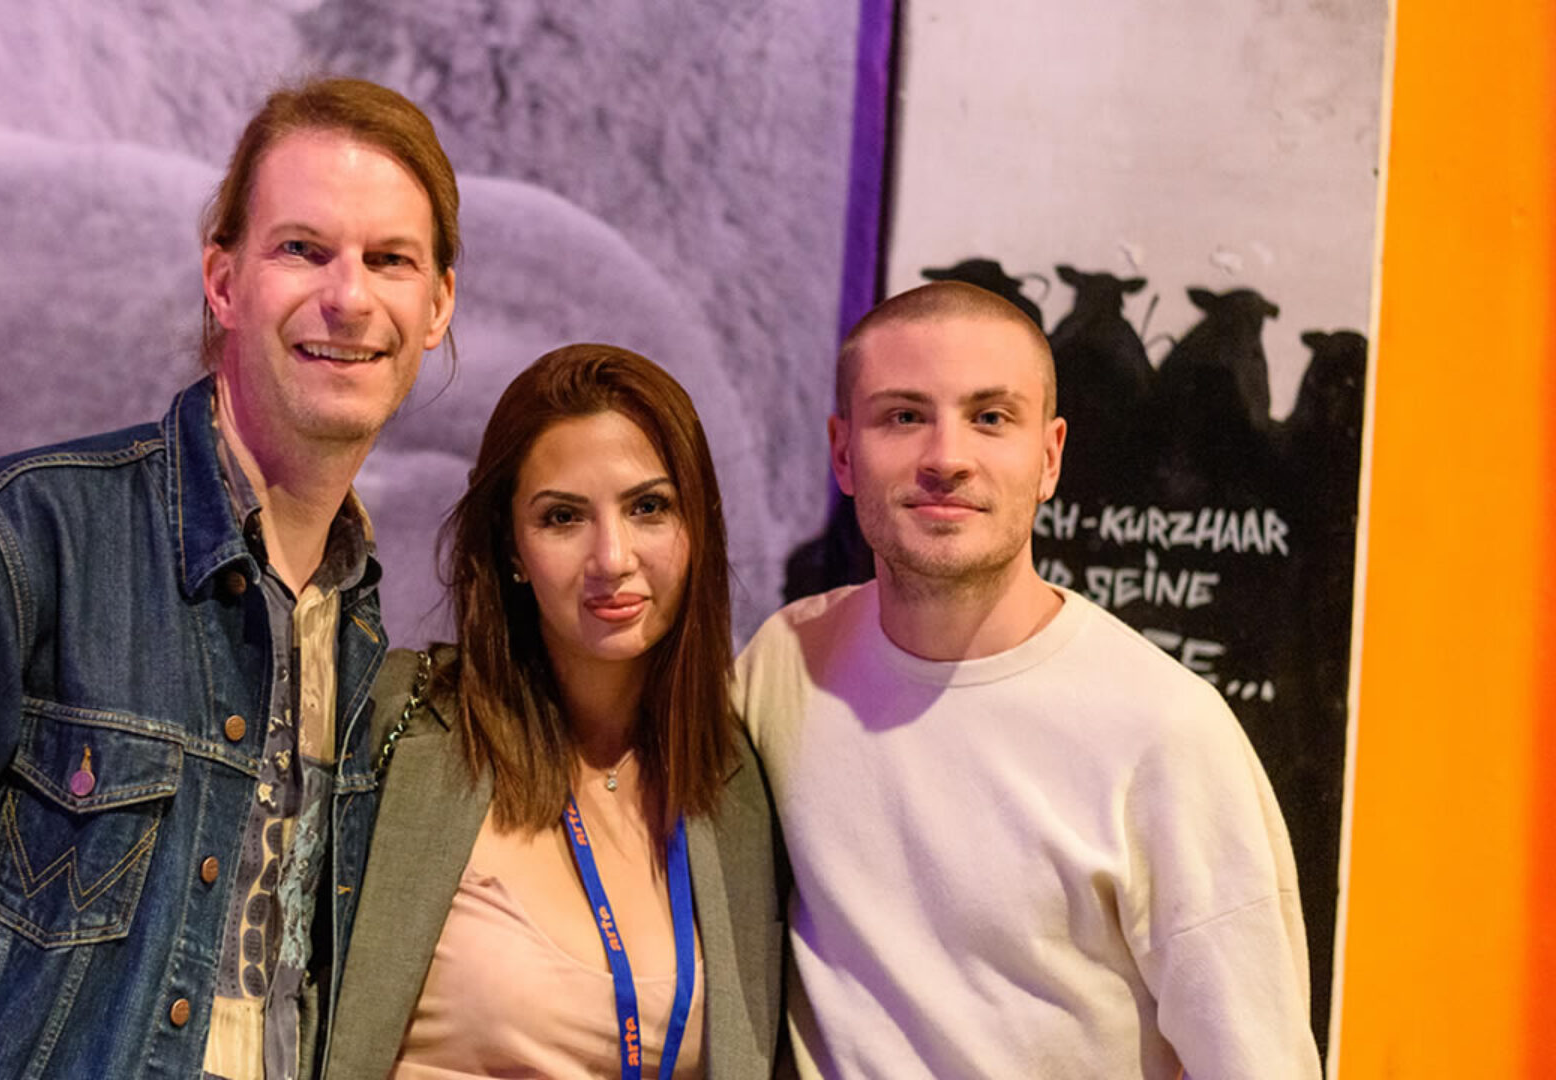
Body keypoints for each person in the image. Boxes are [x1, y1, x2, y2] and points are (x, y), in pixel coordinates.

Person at [0, 77, 458, 1080]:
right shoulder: (5, 544)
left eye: (390, 260)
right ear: (223, 282)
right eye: (302, 249)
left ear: (438, 304)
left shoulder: (357, 639)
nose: (349, 296)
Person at [735, 281, 1320, 1078]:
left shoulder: (1165, 732)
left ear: (1049, 458)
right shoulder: (785, 664)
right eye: (904, 416)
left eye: (990, 417)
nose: (946, 457)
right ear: (843, 452)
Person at [322, 344, 784, 1078]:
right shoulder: (397, 725)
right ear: (511, 547)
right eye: (563, 517)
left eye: (649, 508)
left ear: (698, 527)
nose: (612, 557)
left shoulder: (736, 785)